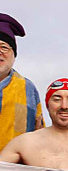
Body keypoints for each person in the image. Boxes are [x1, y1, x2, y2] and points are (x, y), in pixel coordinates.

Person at [0, 14, 44, 155]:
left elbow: (39, 134)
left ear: (14, 54)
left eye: (4, 47)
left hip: (14, 166)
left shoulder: (27, 88)